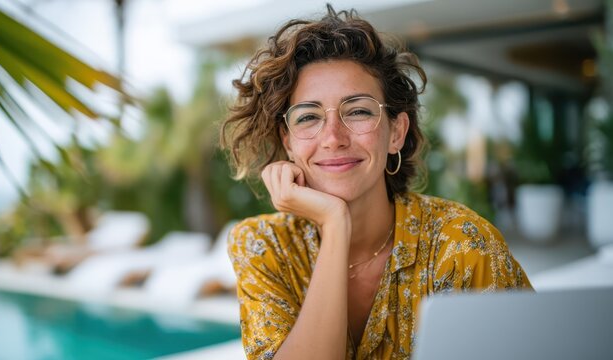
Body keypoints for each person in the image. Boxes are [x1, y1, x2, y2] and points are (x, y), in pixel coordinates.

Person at [220, 5, 532, 360]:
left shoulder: (462, 246)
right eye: (308, 117)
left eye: (358, 111)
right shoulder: (263, 246)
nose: (333, 137)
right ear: (288, 141)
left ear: (396, 133)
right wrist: (335, 223)